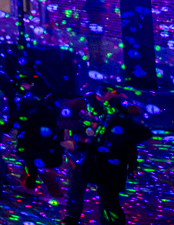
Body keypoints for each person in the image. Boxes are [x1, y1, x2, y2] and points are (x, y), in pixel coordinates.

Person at [64, 92, 151, 225]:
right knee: (87, 191)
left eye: (109, 102)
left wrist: (132, 165)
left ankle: (111, 222)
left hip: (111, 166)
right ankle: (74, 217)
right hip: (95, 161)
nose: (104, 103)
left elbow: (138, 138)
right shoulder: (105, 119)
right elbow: (94, 136)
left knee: (108, 199)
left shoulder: (122, 123)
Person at [11, 77, 63, 203]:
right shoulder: (32, 96)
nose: (23, 85)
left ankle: (56, 194)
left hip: (43, 138)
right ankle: (28, 185)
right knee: (29, 160)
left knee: (43, 165)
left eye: (27, 83)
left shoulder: (44, 99)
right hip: (31, 135)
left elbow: (35, 116)